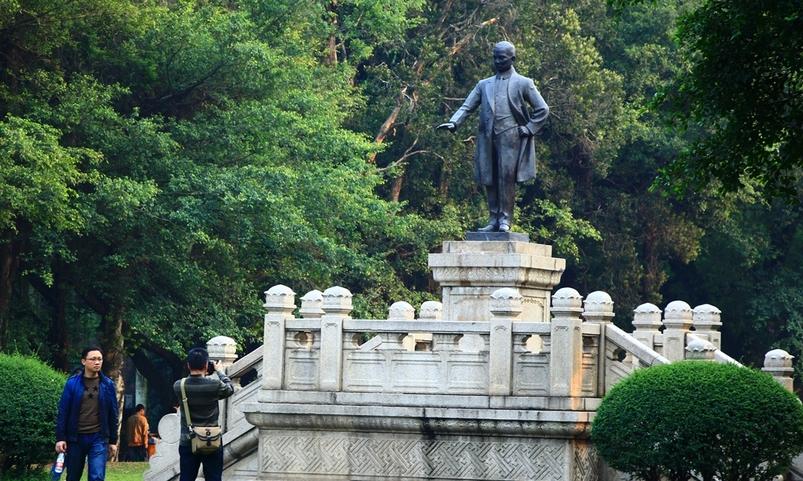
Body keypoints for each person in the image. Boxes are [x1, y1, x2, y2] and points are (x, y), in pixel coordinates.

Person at [438, 41, 549, 232]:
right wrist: (454, 121)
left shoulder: (524, 83)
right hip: (488, 138)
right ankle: (493, 219)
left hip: (511, 137)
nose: (497, 61)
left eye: (502, 58)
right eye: (495, 57)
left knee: (505, 178)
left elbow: (543, 109)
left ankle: (505, 219)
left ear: (512, 59)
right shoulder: (484, 84)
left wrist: (529, 128)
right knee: (489, 177)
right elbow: (467, 106)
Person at [55, 346, 119, 481]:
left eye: (100, 359)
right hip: (75, 438)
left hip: (99, 438)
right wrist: (61, 438)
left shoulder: (108, 385)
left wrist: (113, 441)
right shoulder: (72, 384)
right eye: (93, 359)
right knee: (73, 476)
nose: (97, 362)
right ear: (84, 361)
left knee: (97, 476)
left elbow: (113, 414)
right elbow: (63, 411)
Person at [173, 348, 235, 481]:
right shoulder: (215, 385)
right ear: (206, 365)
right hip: (211, 439)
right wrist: (219, 371)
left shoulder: (179, 386)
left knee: (186, 478)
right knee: (213, 478)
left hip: (187, 439)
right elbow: (230, 389)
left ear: (188, 365)